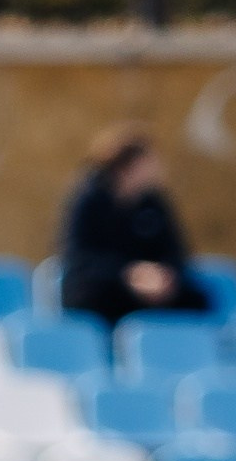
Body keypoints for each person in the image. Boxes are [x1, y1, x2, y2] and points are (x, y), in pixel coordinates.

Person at [57, 124, 209, 327]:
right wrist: (129, 274)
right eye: (148, 162)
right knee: (98, 301)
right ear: (126, 167)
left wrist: (162, 276)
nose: (156, 168)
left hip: (151, 291)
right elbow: (79, 256)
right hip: (104, 288)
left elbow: (176, 250)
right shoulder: (88, 201)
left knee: (197, 300)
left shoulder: (154, 203)